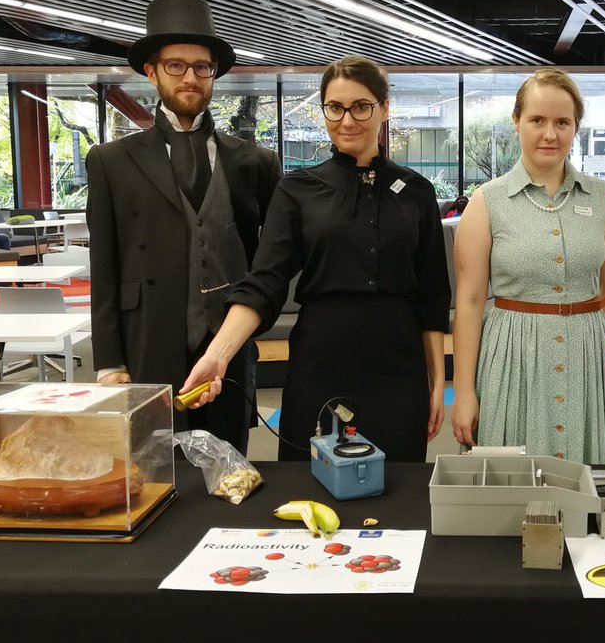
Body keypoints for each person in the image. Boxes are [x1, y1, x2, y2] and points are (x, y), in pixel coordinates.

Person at [179, 55, 450, 463]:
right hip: (321, 358)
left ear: (385, 109)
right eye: (334, 108)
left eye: (361, 106)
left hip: (399, 364)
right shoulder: (298, 189)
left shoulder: (416, 191)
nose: (347, 120)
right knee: (311, 486)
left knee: (399, 490)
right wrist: (217, 357)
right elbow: (264, 283)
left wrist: (436, 382)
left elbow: (432, 295)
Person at [86, 0, 282, 454]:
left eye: (202, 67)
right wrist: (109, 359)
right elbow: (105, 265)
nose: (190, 77)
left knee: (230, 466)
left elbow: (269, 263)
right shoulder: (111, 161)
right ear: (151, 72)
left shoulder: (255, 161)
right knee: (154, 469)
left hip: (229, 344)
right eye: (176, 66)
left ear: (214, 74)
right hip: (147, 340)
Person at [451, 68, 605, 463]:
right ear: (517, 122)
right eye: (537, 120)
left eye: (562, 122)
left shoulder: (603, 197)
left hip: (587, 355)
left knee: (587, 482)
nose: (550, 134)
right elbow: (470, 300)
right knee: (509, 488)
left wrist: (578, 323)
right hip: (511, 358)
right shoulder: (487, 200)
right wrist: (464, 390)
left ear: (575, 127)